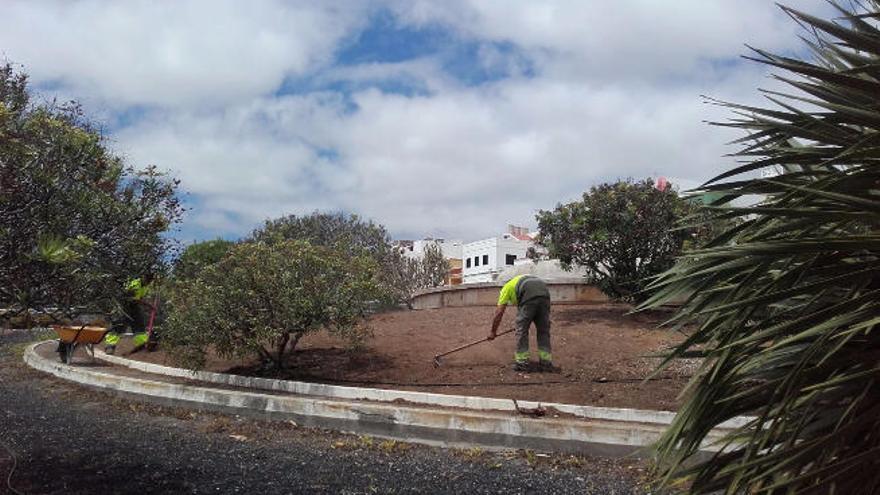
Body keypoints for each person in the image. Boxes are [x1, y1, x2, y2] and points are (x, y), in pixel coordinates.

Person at [488, 274, 558, 372]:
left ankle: (522, 362)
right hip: (544, 291)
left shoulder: (506, 288)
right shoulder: (517, 281)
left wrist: (493, 332)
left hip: (528, 293)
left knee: (521, 331)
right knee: (543, 331)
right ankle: (546, 363)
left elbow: (499, 313)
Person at [104, 276, 151, 354]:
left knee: (139, 325)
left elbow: (140, 297)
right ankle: (110, 346)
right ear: (143, 277)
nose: (148, 282)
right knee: (119, 325)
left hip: (134, 306)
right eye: (148, 279)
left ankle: (142, 345)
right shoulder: (134, 283)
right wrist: (144, 303)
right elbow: (128, 297)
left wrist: (144, 303)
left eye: (150, 280)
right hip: (124, 306)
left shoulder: (145, 286)